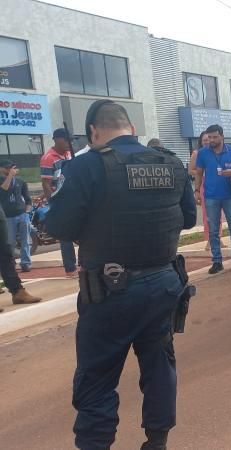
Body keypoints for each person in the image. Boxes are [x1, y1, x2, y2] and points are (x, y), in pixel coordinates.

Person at [46, 100, 196, 449]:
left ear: (94, 132)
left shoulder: (85, 167)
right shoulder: (171, 163)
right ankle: (157, 441)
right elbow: (188, 219)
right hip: (163, 284)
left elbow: (59, 225)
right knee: (159, 365)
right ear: (130, 128)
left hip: (110, 291)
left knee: (97, 378)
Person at [193, 125, 231, 274]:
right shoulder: (203, 153)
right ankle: (217, 261)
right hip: (211, 196)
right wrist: (197, 191)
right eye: (209, 137)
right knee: (213, 231)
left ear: (222, 136)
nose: (211, 140)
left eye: (214, 137)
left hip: (230, 195)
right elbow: (198, 173)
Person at [41, 128, 78, 278]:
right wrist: (53, 203)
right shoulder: (48, 158)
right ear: (57, 139)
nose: (70, 143)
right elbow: (46, 183)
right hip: (60, 200)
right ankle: (70, 269)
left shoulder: (69, 154)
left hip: (73, 197)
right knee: (65, 236)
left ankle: (83, 263)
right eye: (67, 139)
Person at [189, 132, 225, 252]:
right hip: (204, 183)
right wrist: (202, 172)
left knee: (218, 214)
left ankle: (218, 237)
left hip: (217, 185)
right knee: (208, 214)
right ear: (200, 141)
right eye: (204, 140)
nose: (207, 141)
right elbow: (191, 170)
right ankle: (210, 239)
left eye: (209, 139)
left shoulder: (214, 153)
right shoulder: (197, 153)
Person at [0, 160, 33, 272]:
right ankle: (11, 262)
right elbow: (3, 190)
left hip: (22, 214)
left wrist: (27, 211)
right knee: (10, 241)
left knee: (25, 240)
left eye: (12, 168)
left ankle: (26, 263)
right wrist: (9, 176)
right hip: (8, 216)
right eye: (8, 168)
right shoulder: (2, 180)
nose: (11, 170)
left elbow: (27, 198)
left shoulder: (20, 182)